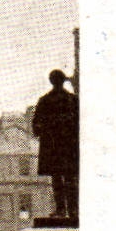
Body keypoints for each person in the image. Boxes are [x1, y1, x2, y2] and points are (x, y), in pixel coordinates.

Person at [31, 68, 78, 220]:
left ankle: (63, 210)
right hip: (68, 147)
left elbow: (36, 126)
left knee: (59, 179)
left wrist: (48, 127)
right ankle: (71, 210)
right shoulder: (72, 100)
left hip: (54, 147)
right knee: (69, 179)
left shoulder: (45, 100)